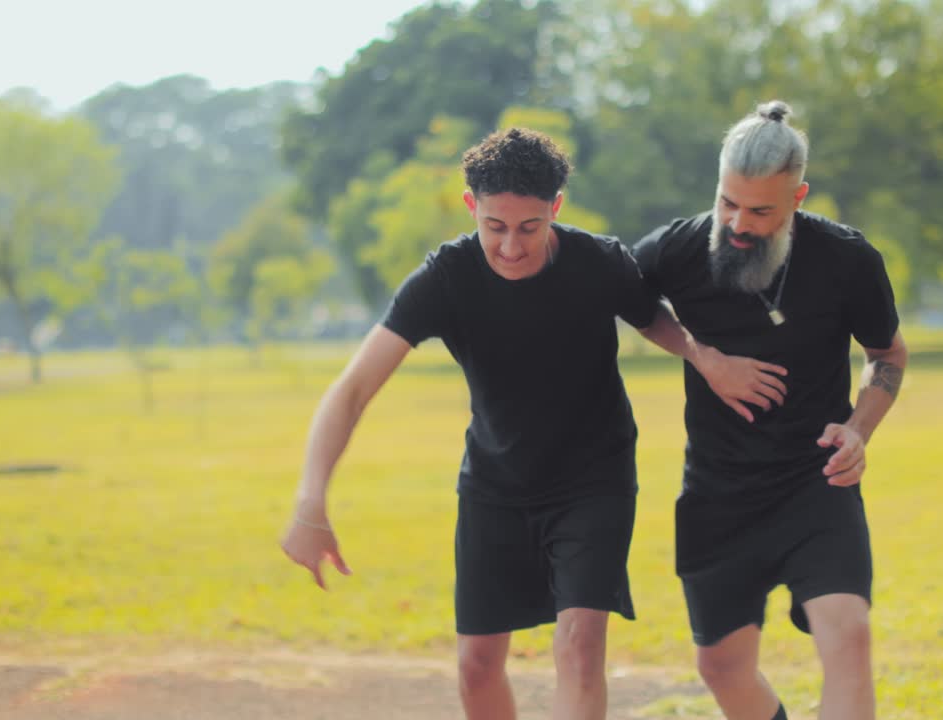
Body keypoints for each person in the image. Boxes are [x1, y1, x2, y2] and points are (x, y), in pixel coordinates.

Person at [280, 127, 787, 720]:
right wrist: (310, 501)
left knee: (579, 647)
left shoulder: (598, 261)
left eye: (529, 227)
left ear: (556, 208)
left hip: (593, 481)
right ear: (471, 206)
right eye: (494, 226)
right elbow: (351, 391)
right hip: (494, 485)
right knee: (476, 666)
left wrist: (705, 358)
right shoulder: (446, 278)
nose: (511, 247)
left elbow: (651, 317)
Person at [631, 101, 909, 720]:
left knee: (849, 638)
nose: (738, 223)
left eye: (760, 211)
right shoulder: (677, 249)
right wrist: (703, 356)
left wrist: (858, 430)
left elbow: (887, 353)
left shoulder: (847, 259)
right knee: (721, 666)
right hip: (717, 490)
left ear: (798, 197)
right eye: (728, 202)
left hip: (817, 480)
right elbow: (632, 303)